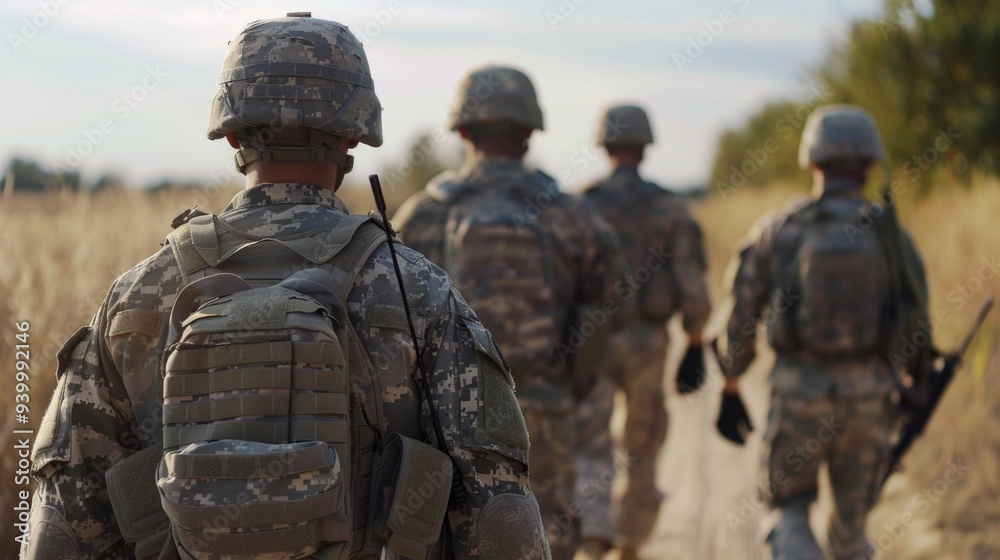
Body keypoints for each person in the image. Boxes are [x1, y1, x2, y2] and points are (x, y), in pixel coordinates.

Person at [21, 14, 548, 560]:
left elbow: (63, 521)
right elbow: (499, 517)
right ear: (353, 134)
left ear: (231, 131)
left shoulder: (136, 295)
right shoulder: (416, 288)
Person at [392, 65, 625, 560]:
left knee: (448, 536)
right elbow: (609, 300)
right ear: (529, 131)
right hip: (542, 405)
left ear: (462, 130)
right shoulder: (569, 213)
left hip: (446, 415)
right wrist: (577, 381)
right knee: (551, 529)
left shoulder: (424, 213)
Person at [716, 104, 931, 560]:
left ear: (813, 162)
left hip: (800, 400)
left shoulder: (782, 229)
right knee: (852, 531)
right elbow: (916, 320)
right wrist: (912, 384)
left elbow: (742, 311)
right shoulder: (891, 235)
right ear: (870, 166)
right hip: (871, 403)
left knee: (788, 512)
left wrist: (732, 381)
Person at [573, 105, 712, 560]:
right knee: (643, 445)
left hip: (591, 340)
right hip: (648, 342)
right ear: (646, 145)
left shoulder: (581, 204)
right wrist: (696, 340)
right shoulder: (668, 208)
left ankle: (592, 539)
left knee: (591, 441)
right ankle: (631, 542)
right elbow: (693, 285)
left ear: (604, 145)